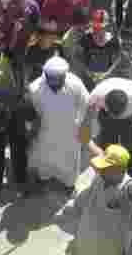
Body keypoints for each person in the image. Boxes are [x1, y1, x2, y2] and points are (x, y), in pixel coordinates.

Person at [28, 56, 89, 192]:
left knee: (69, 161)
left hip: (70, 132)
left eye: (58, 79)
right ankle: (43, 180)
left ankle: (69, 184)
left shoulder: (75, 84)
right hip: (45, 132)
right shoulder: (35, 88)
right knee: (45, 159)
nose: (55, 82)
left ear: (64, 75)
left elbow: (86, 105)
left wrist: (83, 128)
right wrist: (32, 132)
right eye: (52, 79)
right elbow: (31, 114)